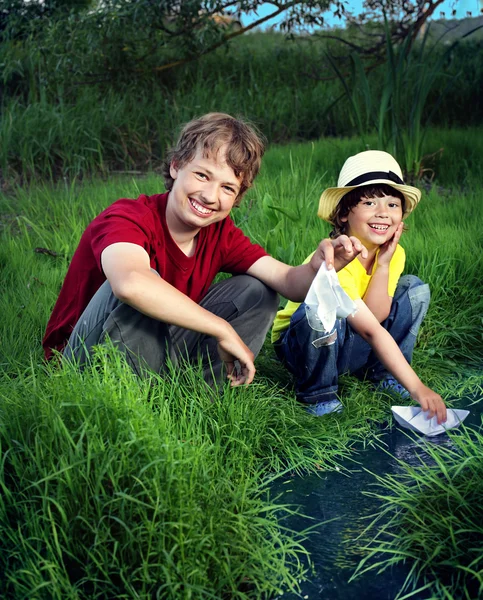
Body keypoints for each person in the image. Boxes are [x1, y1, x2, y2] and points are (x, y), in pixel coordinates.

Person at [43, 113, 364, 387]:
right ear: (175, 166)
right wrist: (220, 328)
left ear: (237, 197)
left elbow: (287, 282)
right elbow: (130, 284)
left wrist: (322, 266)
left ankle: (200, 393)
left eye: (227, 188)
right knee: (142, 283)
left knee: (259, 290)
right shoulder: (128, 216)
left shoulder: (218, 234)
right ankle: (131, 398)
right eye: (202, 175)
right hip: (83, 358)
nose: (211, 195)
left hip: (157, 346)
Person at [272, 150, 447, 423]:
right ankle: (318, 395)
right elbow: (371, 330)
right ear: (343, 214)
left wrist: (384, 265)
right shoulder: (336, 258)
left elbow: (376, 316)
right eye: (369, 203)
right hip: (303, 345)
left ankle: (382, 376)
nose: (383, 214)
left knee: (414, 289)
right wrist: (418, 387)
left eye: (392, 205)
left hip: (349, 337)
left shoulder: (392, 253)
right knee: (324, 308)